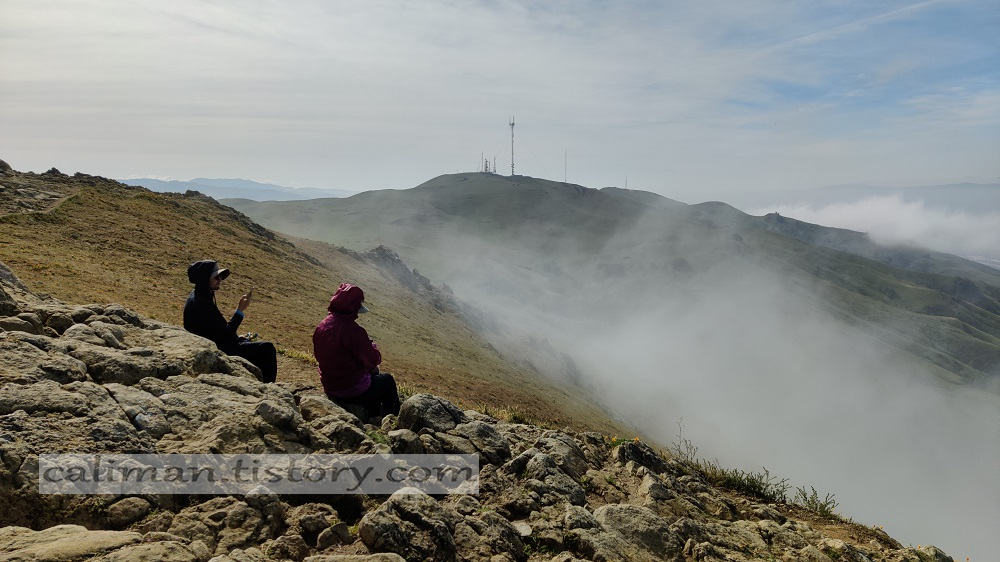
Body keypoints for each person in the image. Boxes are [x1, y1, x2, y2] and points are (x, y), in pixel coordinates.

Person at [313, 283, 400, 419]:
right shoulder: (354, 331)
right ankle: (392, 419)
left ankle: (372, 414)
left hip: (330, 385)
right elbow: (373, 359)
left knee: (373, 376)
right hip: (350, 389)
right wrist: (373, 347)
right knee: (387, 380)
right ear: (352, 309)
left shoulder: (322, 325)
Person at [184, 260, 277, 383]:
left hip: (216, 345)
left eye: (221, 276)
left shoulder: (200, 296)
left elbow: (218, 331)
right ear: (204, 279)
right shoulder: (201, 304)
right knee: (267, 349)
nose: (220, 280)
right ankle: (267, 387)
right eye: (216, 277)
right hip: (218, 350)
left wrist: (238, 338)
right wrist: (240, 310)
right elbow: (225, 336)